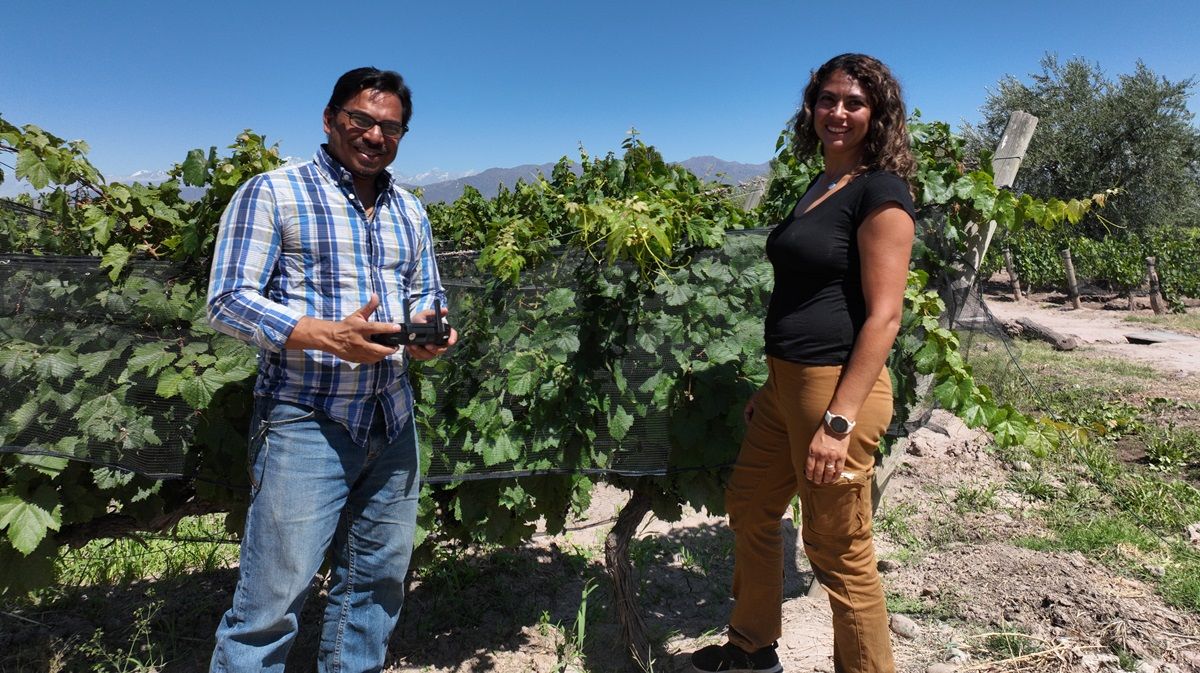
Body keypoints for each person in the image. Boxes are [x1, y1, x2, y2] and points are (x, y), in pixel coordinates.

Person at [206, 66, 456, 673]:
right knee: (268, 608)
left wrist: (433, 332)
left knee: (374, 592)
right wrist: (327, 336)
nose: (375, 135)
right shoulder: (273, 192)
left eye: (390, 127)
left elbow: (426, 294)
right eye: (361, 120)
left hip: (392, 421)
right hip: (303, 421)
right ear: (330, 119)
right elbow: (227, 298)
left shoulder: (410, 211)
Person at [691, 53, 917, 673]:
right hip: (787, 388)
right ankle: (752, 648)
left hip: (836, 392)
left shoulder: (882, 192)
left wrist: (839, 421)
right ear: (811, 107)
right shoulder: (822, 186)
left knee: (838, 549)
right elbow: (805, 296)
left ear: (878, 115)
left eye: (853, 102)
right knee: (751, 504)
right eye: (827, 99)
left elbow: (884, 317)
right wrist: (772, 386)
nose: (837, 112)